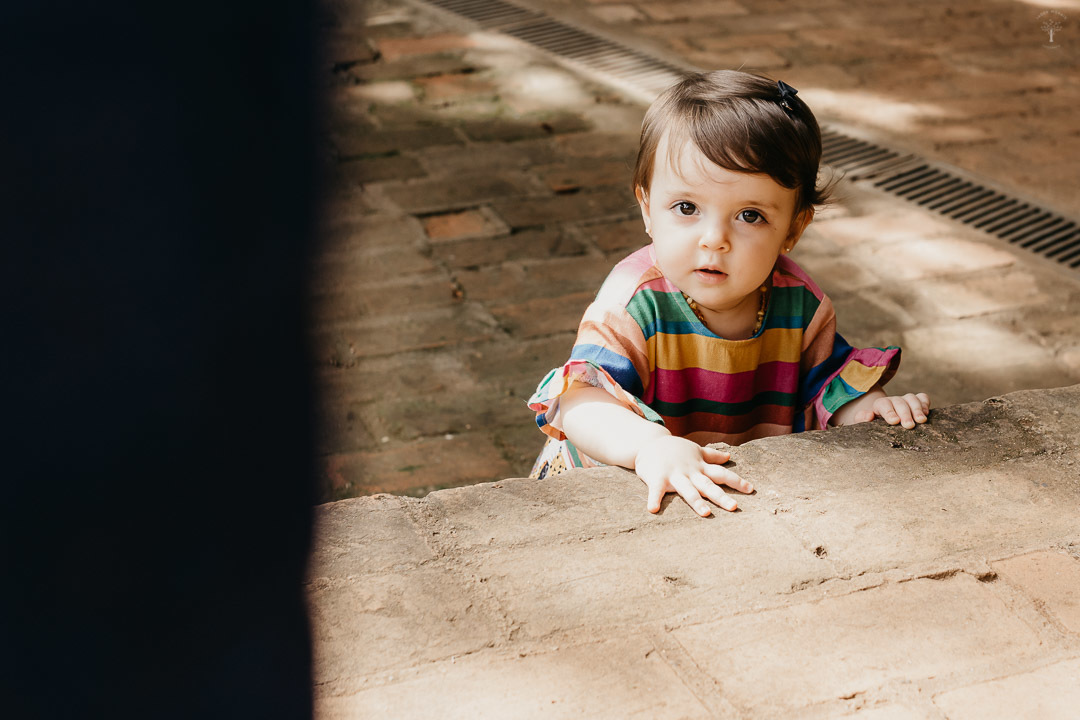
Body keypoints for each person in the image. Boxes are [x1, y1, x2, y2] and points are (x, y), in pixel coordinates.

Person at [527, 70, 930, 517]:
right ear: (647, 208)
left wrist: (869, 408)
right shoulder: (634, 304)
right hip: (613, 496)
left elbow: (825, 386)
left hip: (722, 494)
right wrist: (648, 447)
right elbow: (582, 401)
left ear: (793, 229)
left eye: (750, 216)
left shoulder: (799, 301)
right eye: (686, 208)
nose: (714, 238)